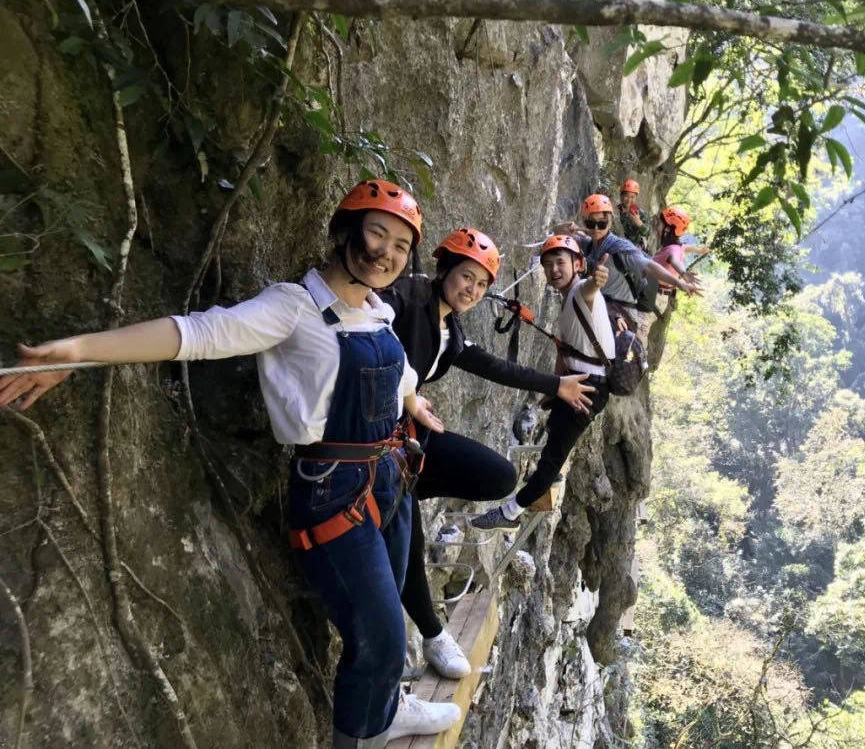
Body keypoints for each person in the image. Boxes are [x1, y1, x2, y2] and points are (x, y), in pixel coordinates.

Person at [0, 180, 459, 749]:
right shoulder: (293, 308)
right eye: (376, 233)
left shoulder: (378, 310)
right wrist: (81, 350)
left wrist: (412, 399)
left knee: (391, 602)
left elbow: (399, 375)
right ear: (345, 232)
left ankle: (387, 707)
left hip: (388, 475)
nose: (386, 253)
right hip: (334, 491)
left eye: (400, 245)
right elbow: (196, 333)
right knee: (382, 636)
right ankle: (362, 734)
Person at [379, 227, 596, 678]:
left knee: (497, 476)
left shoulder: (448, 330)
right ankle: (432, 633)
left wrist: (556, 384)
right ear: (444, 270)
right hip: (378, 442)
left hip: (409, 441)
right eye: (466, 277)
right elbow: (371, 323)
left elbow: (496, 367)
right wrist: (408, 395)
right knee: (408, 540)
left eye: (480, 285)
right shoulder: (406, 298)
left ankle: (400, 496)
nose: (472, 290)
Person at [470, 235, 612, 531]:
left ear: (578, 264)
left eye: (560, 263)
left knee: (552, 457)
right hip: (578, 380)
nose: (554, 270)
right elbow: (568, 350)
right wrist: (554, 388)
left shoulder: (580, 293)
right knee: (554, 439)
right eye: (547, 265)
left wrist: (597, 280)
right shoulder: (569, 298)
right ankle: (545, 481)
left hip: (588, 388)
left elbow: (589, 289)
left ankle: (511, 512)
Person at [556, 194, 701, 333]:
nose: (595, 229)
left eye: (601, 224)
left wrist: (680, 282)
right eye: (590, 223)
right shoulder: (589, 244)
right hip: (603, 304)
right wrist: (565, 227)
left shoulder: (621, 249)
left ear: (610, 221)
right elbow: (558, 234)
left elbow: (650, 266)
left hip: (622, 310)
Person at [651, 206, 703, 295]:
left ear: (667, 229)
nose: (657, 225)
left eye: (660, 224)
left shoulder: (672, 250)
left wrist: (683, 274)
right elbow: (687, 248)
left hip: (653, 292)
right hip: (657, 291)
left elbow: (673, 259)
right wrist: (699, 250)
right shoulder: (678, 247)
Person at [616, 178, 650, 248]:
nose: (629, 199)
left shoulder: (640, 213)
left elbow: (647, 233)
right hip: (617, 245)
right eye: (626, 196)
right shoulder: (615, 210)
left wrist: (639, 224)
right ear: (621, 196)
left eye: (632, 197)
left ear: (636, 198)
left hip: (633, 248)